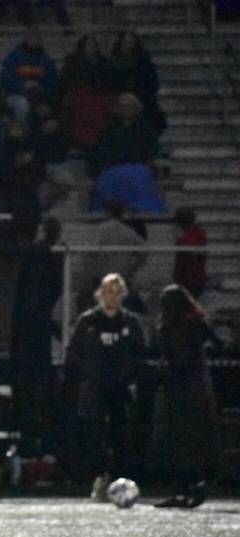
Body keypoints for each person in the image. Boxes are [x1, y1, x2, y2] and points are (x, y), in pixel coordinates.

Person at [64, 273, 146, 499]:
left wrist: (130, 377)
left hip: (120, 388)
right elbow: (73, 352)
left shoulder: (130, 322)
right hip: (95, 388)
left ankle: (120, 480)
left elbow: (141, 354)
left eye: (117, 290)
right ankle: (100, 476)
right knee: (93, 434)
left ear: (123, 295)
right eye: (109, 290)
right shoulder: (88, 321)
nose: (113, 295)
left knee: (120, 435)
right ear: (100, 293)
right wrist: (87, 374)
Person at [151, 285, 223, 509]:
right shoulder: (195, 322)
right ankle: (194, 486)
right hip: (197, 390)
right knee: (192, 443)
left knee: (178, 443)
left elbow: (178, 360)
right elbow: (217, 345)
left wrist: (160, 374)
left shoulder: (173, 327)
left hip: (180, 392)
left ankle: (183, 490)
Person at [172, 208, 208, 299]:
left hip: (188, 278)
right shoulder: (200, 233)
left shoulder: (185, 239)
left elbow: (183, 258)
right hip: (197, 277)